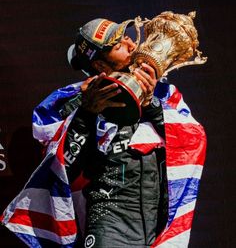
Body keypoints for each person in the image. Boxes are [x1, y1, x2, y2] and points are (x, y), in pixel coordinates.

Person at [1, 16, 207, 248]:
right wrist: (86, 114)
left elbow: (194, 140)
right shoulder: (74, 101)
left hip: (159, 228)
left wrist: (150, 104)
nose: (131, 45)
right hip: (110, 225)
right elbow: (61, 169)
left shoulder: (163, 94)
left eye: (127, 37)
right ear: (100, 65)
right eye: (119, 45)